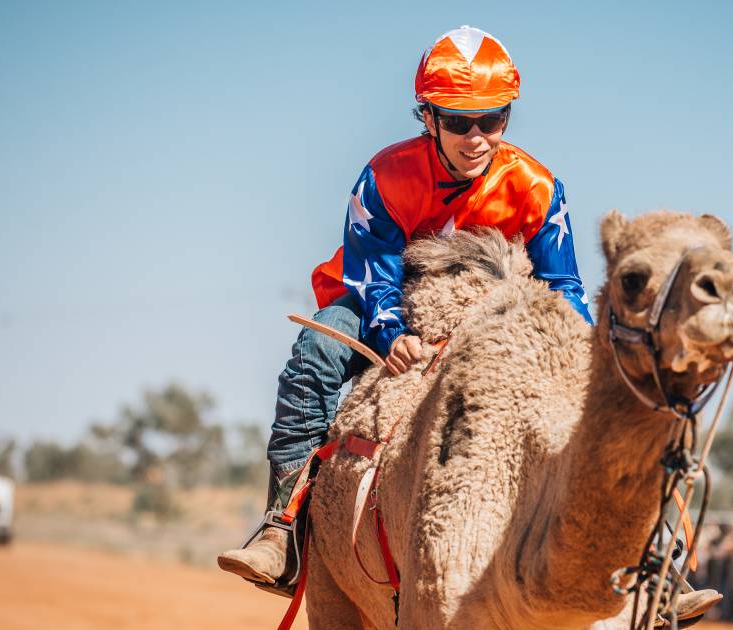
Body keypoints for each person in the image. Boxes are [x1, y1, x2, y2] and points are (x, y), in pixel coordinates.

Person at [217, 25, 592, 591]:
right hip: (384, 302)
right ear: (428, 117)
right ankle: (283, 530)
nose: (477, 137)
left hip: (489, 315)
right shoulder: (386, 175)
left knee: (608, 385)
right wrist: (392, 331)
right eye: (459, 121)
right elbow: (375, 271)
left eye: (492, 120)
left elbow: (564, 286)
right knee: (316, 351)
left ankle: (656, 551)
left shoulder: (537, 187)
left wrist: (582, 351)